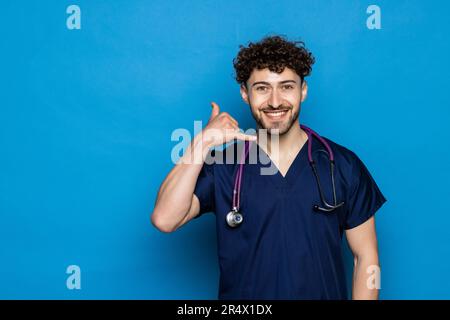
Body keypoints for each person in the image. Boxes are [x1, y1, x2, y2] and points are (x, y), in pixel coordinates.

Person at [151, 35, 387, 300]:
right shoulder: (225, 166)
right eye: (262, 88)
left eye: (286, 86)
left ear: (303, 90)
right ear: (245, 93)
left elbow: (366, 257)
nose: (275, 101)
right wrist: (201, 143)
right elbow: (165, 219)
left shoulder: (342, 165)